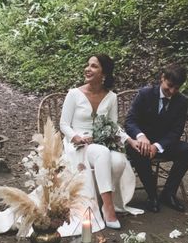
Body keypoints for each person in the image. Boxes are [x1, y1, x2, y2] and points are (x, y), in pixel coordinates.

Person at [59, 54, 144, 230]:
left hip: (101, 141)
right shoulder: (74, 94)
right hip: (78, 144)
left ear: (103, 73)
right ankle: (108, 208)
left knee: (119, 161)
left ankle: (102, 199)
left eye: (94, 66)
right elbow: (64, 124)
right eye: (88, 65)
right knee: (102, 153)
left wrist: (130, 140)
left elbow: (114, 126)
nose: (87, 69)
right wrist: (76, 137)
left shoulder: (111, 97)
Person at [125, 64, 188, 213]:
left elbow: (176, 131)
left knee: (187, 150)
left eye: (177, 88)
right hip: (141, 144)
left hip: (163, 145)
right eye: (169, 86)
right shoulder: (145, 94)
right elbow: (130, 121)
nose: (172, 91)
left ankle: (168, 193)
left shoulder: (182, 102)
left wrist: (157, 146)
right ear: (162, 78)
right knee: (136, 150)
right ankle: (152, 195)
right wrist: (141, 137)